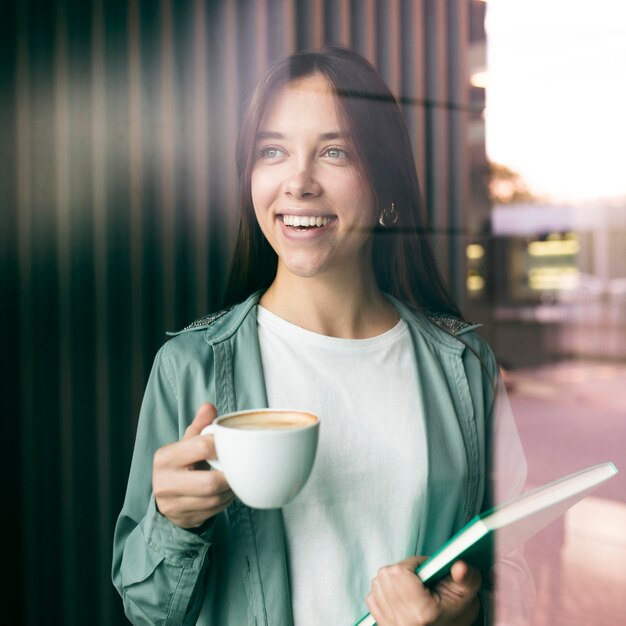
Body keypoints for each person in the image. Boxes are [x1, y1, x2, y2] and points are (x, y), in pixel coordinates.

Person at [112, 46, 532, 625]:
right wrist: (174, 523)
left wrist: (467, 612)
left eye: (334, 152)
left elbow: (517, 564)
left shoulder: (464, 366)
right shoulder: (191, 366)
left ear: (385, 185)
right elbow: (146, 610)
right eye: (273, 151)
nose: (299, 182)